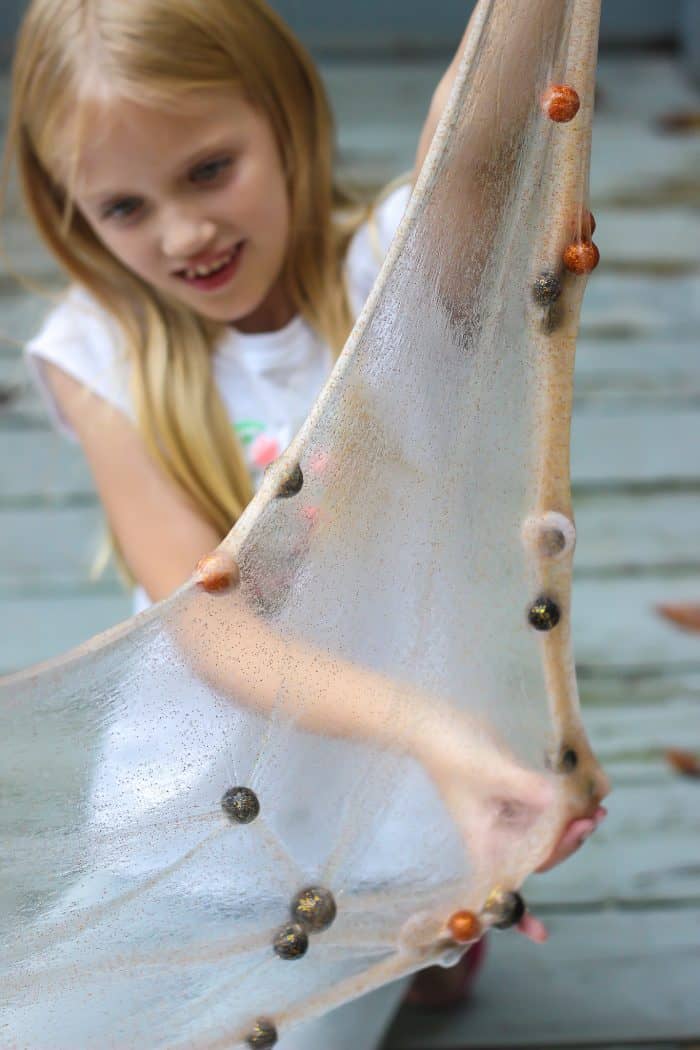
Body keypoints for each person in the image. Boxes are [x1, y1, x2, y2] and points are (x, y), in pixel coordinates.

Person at [2, 1, 605, 1045]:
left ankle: (428, 946)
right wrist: (432, 729)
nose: (184, 234)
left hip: (386, 827)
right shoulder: (98, 348)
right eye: (123, 208)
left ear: (283, 120)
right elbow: (208, 623)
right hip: (193, 817)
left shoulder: (393, 282)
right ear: (72, 212)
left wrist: (444, 752)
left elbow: (483, 127)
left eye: (207, 171)